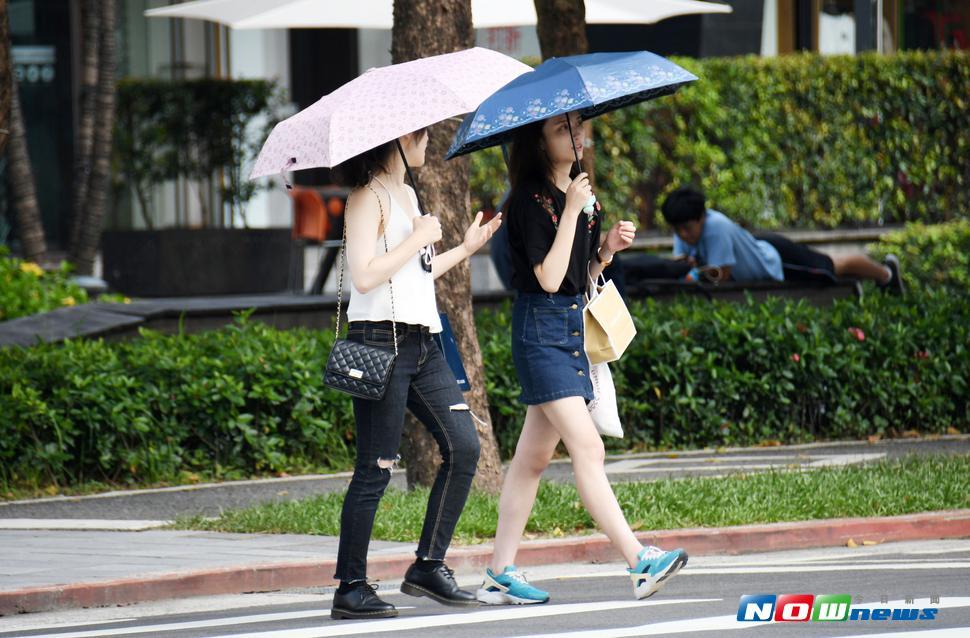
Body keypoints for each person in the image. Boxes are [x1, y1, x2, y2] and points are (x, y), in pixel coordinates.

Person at [476, 111, 688, 606]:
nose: (576, 136)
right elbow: (547, 278)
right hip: (540, 332)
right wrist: (571, 210)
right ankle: (639, 561)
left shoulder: (582, 196)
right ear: (539, 140)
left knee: (531, 460)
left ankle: (498, 572)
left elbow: (578, 272)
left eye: (578, 126)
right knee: (588, 449)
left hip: (570, 326)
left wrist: (607, 249)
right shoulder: (530, 200)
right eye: (561, 130)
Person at [330, 127, 502, 620]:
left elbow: (416, 275)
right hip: (379, 341)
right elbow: (364, 274)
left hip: (423, 343)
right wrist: (419, 238)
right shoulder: (365, 197)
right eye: (422, 134)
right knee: (376, 468)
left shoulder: (407, 193)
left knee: (465, 446)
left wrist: (465, 248)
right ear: (399, 138)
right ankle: (351, 586)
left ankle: (428, 564)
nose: (428, 140)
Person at [661, 187, 904, 293]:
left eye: (687, 229)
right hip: (759, 249)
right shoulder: (685, 226)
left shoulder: (716, 228)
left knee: (832, 266)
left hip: (775, 260)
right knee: (832, 268)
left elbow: (720, 276)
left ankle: (886, 273)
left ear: (701, 217)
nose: (683, 235)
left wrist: (692, 270)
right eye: (678, 229)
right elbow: (680, 262)